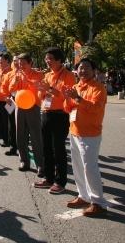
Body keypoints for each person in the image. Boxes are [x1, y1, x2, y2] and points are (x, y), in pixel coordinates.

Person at [62, 58, 110, 217]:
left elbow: (95, 108)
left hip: (90, 134)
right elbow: (67, 108)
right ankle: (83, 196)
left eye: (87, 68)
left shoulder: (98, 87)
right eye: (80, 68)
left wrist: (77, 98)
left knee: (90, 168)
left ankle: (98, 203)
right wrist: (67, 98)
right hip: (75, 131)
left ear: (94, 70)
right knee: (78, 167)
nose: (83, 71)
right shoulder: (76, 87)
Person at [33, 47, 77, 194]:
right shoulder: (48, 75)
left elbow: (67, 98)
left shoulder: (69, 76)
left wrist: (49, 89)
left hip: (60, 115)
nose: (47, 61)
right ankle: (48, 178)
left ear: (59, 60)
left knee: (58, 149)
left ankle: (60, 181)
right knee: (46, 148)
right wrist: (42, 90)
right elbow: (41, 95)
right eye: (46, 58)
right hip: (46, 113)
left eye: (50, 58)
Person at [8, 53, 44, 176]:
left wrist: (28, 81)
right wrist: (15, 82)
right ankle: (24, 161)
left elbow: (40, 87)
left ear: (30, 63)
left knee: (35, 136)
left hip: (33, 106)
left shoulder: (38, 74)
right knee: (20, 135)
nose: (21, 66)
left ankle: (40, 164)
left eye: (24, 63)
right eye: (19, 63)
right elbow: (11, 89)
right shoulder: (17, 74)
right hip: (20, 106)